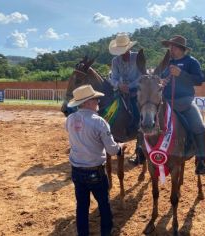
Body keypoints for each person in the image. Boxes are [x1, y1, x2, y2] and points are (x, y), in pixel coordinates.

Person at [66, 84, 124, 236]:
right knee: (104, 205)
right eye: (95, 99)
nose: (98, 102)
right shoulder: (99, 122)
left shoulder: (70, 119)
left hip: (77, 170)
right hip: (95, 171)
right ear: (87, 102)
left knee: (82, 207)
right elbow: (112, 149)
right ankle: (105, 232)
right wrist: (120, 147)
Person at [160, 35, 205, 175]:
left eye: (174, 47)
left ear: (182, 49)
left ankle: (201, 161)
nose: (171, 49)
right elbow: (162, 77)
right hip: (167, 103)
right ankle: (142, 152)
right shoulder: (167, 63)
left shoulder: (191, 62)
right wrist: (161, 82)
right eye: (170, 46)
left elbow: (199, 80)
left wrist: (181, 73)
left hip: (186, 102)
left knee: (199, 127)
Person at [108, 32, 144, 165]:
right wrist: (119, 85)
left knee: (141, 113)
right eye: (121, 51)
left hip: (136, 90)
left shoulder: (137, 58)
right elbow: (113, 78)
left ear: (129, 48)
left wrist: (130, 86)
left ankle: (139, 148)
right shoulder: (115, 61)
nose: (123, 53)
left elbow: (142, 75)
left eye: (125, 50)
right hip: (120, 90)